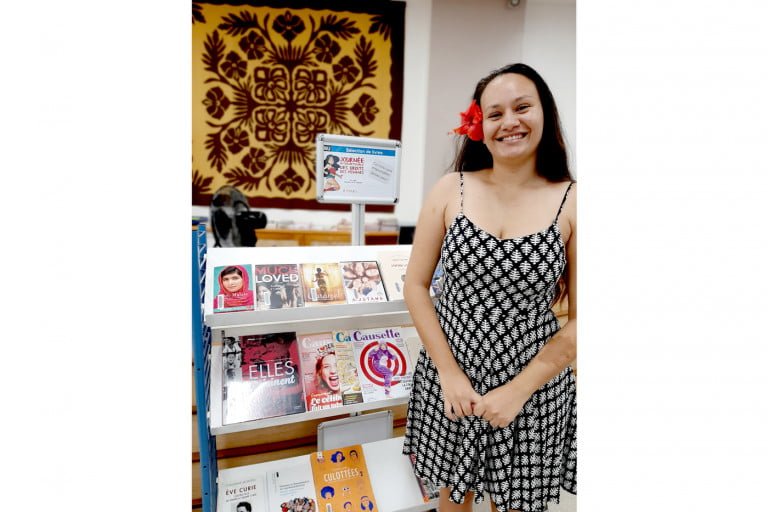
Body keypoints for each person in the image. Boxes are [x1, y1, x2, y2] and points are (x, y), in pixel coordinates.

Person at [402, 63, 577, 512]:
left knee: (517, 503)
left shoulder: (574, 200)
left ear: (545, 113)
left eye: (523, 107)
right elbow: (416, 285)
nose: (509, 122)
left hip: (533, 388)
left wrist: (518, 391)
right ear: (479, 124)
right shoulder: (451, 189)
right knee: (451, 500)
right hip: (451, 380)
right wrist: (448, 373)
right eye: (495, 113)